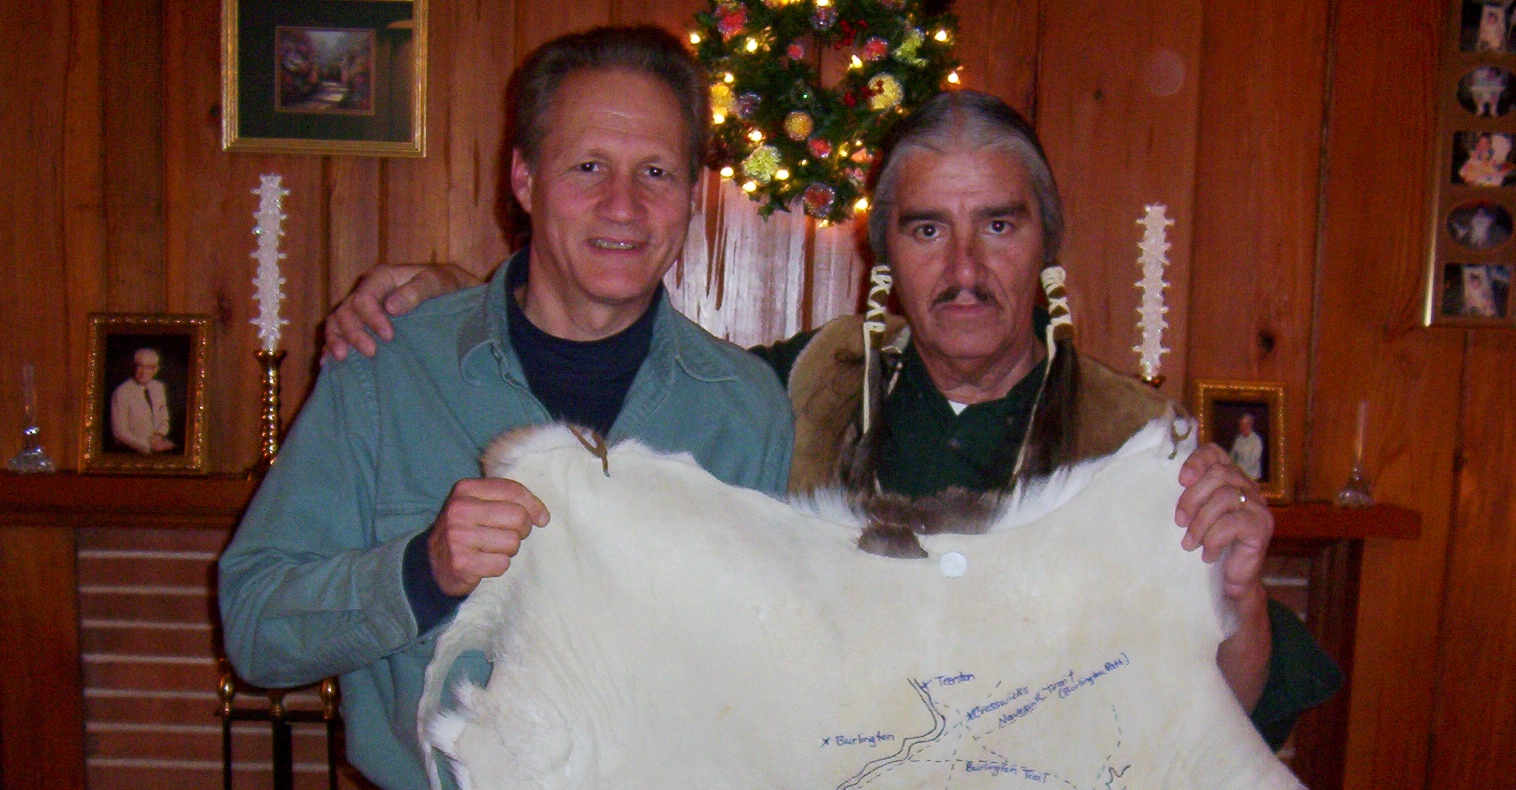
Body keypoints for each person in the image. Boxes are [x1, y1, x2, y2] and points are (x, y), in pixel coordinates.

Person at [219, 27, 792, 790]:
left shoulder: (745, 411)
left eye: (656, 171)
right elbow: (255, 623)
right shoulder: (391, 369)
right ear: (523, 179)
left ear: (693, 194)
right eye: (588, 166)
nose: (624, 204)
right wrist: (422, 569)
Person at [327, 89, 1341, 746]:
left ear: (1046, 244)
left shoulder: (1137, 440)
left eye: (998, 224)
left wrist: (1239, 598)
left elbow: (1231, 716)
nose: (966, 267)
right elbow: (602, 364)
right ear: (885, 253)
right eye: (928, 229)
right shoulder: (797, 388)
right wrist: (454, 295)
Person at [109, 348, 174, 454]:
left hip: (158, 447)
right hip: (131, 451)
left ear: (156, 369)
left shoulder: (159, 387)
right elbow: (119, 433)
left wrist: (159, 435)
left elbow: (164, 419)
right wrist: (149, 447)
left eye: (149, 367)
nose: (144, 372)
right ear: (134, 367)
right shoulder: (122, 392)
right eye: (140, 366)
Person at [1229, 411, 1264, 481]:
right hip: (1239, 476)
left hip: (1252, 477)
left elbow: (1253, 461)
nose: (1241, 428)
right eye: (1240, 425)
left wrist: (1240, 470)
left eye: (1243, 425)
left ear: (1249, 425)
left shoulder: (1256, 440)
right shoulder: (1238, 439)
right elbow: (1233, 456)